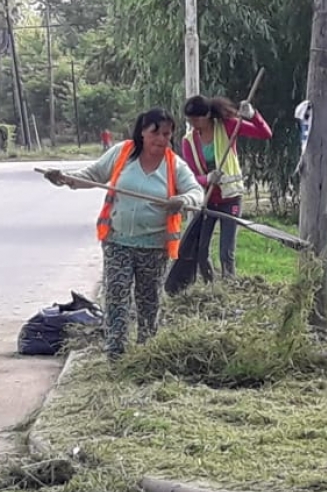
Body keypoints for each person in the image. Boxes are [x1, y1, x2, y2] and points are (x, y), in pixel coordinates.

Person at [42, 108, 205, 360]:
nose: (162, 140)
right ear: (142, 132)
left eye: (167, 134)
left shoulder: (174, 164)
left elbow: (196, 191)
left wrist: (182, 199)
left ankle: (147, 350)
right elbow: (93, 176)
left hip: (153, 245)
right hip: (118, 241)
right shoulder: (122, 153)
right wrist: (65, 179)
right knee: (116, 295)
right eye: (156, 133)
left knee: (148, 299)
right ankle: (115, 352)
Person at [180, 95, 273, 280]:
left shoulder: (228, 126)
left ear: (207, 115)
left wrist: (253, 115)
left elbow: (265, 134)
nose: (193, 124)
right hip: (207, 200)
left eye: (196, 119)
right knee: (201, 250)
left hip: (230, 199)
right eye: (189, 120)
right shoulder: (188, 141)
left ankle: (229, 285)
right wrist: (206, 179)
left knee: (226, 251)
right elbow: (190, 177)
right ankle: (210, 286)